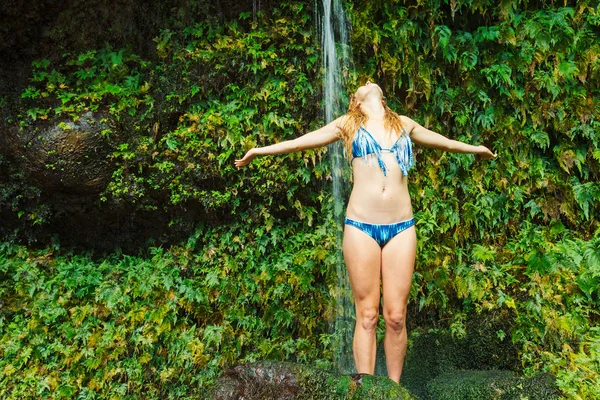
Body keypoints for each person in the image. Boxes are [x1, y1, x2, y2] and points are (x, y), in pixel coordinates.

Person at [234, 81, 496, 384]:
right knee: (368, 315)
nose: (368, 82)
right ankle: (368, 390)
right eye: (361, 86)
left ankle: (393, 390)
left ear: (382, 98)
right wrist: (258, 150)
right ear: (355, 102)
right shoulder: (348, 124)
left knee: (396, 317)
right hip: (361, 226)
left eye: (372, 84)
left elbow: (445, 141)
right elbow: (301, 141)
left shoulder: (405, 125)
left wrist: (475, 149)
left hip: (401, 227)